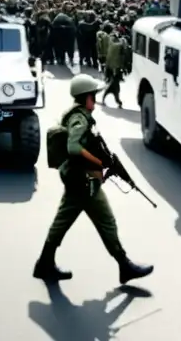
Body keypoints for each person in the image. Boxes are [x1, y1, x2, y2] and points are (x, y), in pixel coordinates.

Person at [33, 73, 153, 285]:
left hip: (78, 179)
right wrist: (98, 162)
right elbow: (73, 147)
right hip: (84, 181)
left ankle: (44, 263)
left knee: (63, 221)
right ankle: (124, 265)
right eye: (92, 96)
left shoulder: (78, 115)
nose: (95, 99)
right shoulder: (79, 118)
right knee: (106, 221)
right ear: (85, 97)